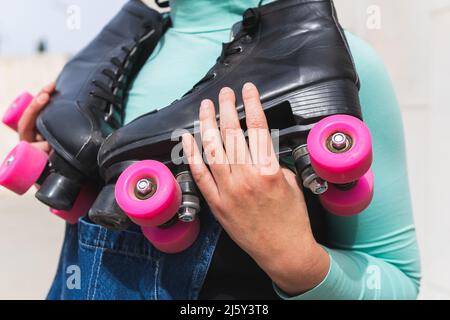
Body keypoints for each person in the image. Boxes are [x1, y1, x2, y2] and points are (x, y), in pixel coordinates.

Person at [19, 0, 420, 299]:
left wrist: (297, 263)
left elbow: (398, 280)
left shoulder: (331, 58)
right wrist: (59, 169)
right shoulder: (125, 54)